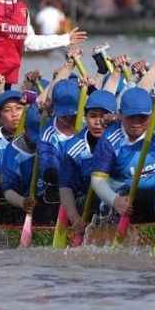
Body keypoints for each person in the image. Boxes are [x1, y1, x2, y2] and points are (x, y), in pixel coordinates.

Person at [90, 87, 155, 224]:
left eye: (142, 118)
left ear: (151, 116)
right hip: (124, 198)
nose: (136, 123)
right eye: (131, 117)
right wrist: (115, 201)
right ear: (120, 115)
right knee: (139, 199)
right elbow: (97, 180)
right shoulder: (109, 140)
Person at [58, 89, 117, 233]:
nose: (97, 122)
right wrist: (74, 218)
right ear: (85, 117)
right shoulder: (74, 148)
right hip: (88, 201)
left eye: (103, 116)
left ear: (114, 117)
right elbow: (65, 187)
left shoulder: (122, 136)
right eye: (92, 116)